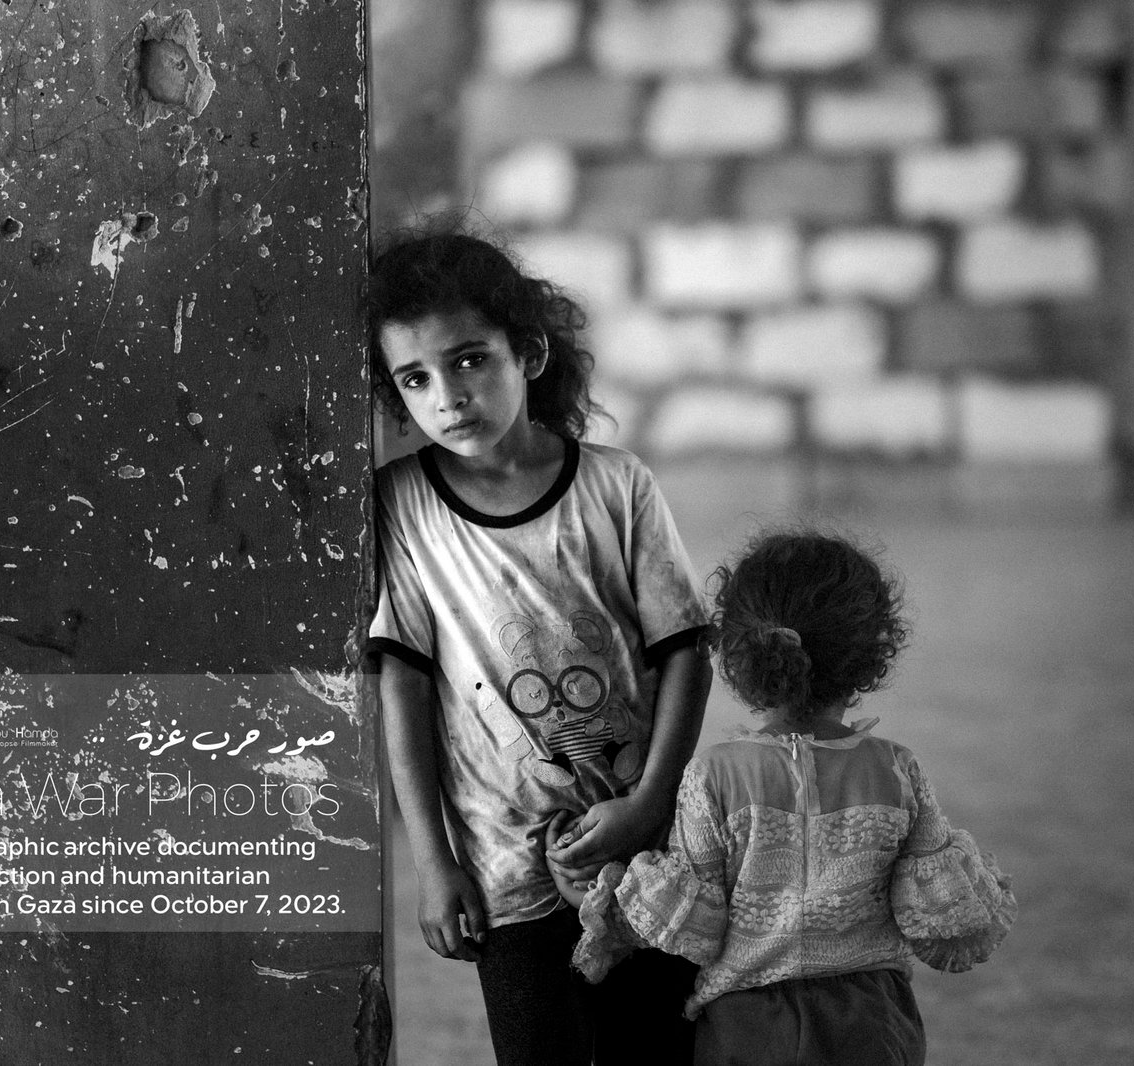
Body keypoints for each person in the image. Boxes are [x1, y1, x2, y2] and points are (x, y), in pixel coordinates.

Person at [365, 227, 713, 1066]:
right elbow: (402, 685)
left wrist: (650, 802)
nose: (449, 396)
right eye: (416, 378)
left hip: (642, 852)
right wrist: (435, 864)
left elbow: (686, 653)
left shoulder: (616, 485)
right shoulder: (402, 506)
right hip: (505, 866)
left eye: (470, 360)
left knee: (655, 1051)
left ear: (529, 352)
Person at [551, 530, 1016, 1066]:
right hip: (873, 1022)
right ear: (872, 653)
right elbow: (938, 918)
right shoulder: (896, 771)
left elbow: (692, 924)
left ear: (740, 653)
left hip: (748, 1028)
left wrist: (592, 897)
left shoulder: (715, 775)